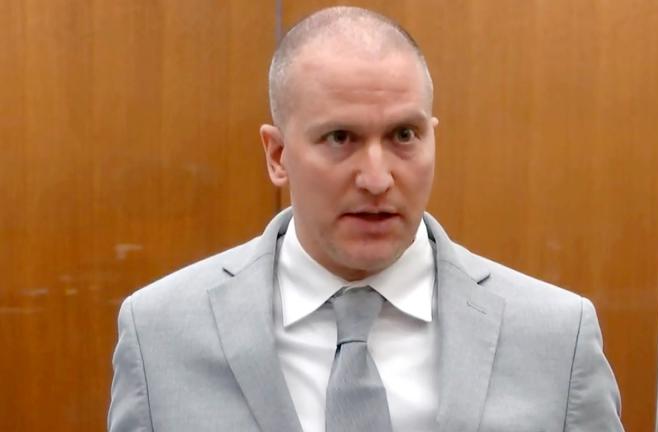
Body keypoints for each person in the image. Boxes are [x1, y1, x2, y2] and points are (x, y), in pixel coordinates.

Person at [108, 6, 623, 432]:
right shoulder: (160, 335)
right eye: (340, 138)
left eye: (404, 135)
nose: (377, 178)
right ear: (277, 155)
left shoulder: (557, 336)